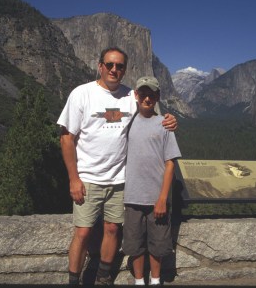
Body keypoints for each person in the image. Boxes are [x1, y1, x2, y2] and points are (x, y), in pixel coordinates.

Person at [57, 47, 177, 285]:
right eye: (109, 64)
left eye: (119, 66)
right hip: (88, 178)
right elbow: (66, 137)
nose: (114, 69)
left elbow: (150, 113)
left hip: (120, 181)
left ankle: (103, 277)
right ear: (100, 66)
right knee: (82, 232)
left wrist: (171, 119)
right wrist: (73, 178)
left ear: (125, 70)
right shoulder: (82, 94)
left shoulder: (130, 96)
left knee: (112, 229)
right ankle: (73, 281)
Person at [123, 76, 182, 286]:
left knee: (158, 244)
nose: (147, 98)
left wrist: (162, 199)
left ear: (158, 96)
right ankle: (139, 280)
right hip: (132, 197)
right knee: (135, 244)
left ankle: (155, 280)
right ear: (136, 95)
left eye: (152, 94)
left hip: (157, 198)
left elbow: (170, 164)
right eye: (143, 94)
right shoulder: (126, 123)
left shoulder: (164, 124)